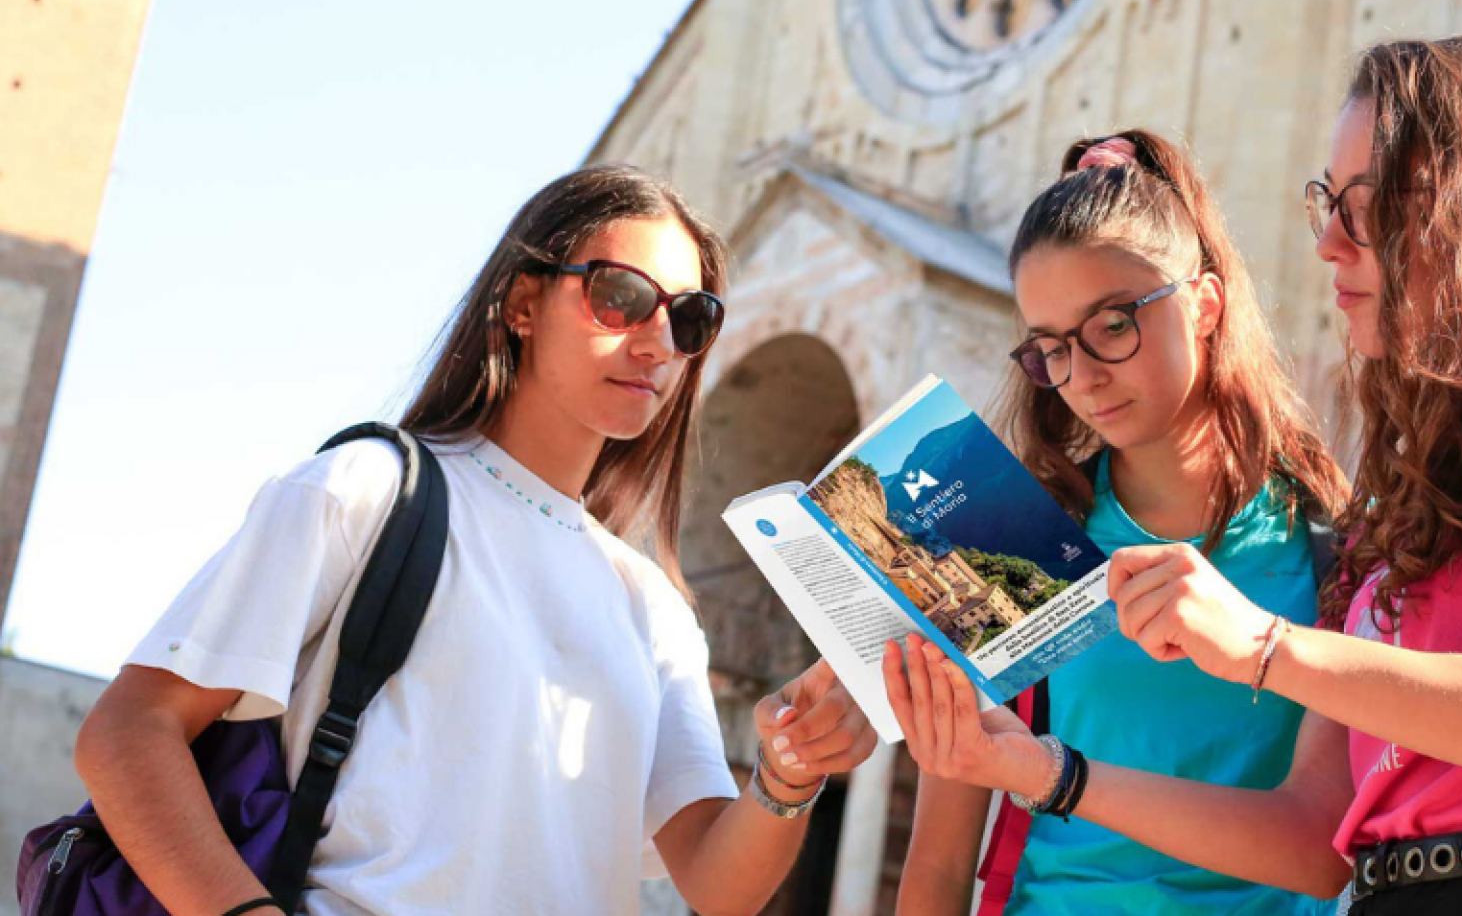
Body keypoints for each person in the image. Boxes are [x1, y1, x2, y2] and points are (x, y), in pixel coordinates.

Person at [888, 38, 1462, 916]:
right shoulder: (1404, 496)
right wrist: (1040, 771)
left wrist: (1266, 649)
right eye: (1325, 200)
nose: (1325, 241)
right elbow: (1323, 828)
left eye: (1358, 206)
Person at [74, 165, 878, 916]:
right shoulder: (366, 488)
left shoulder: (655, 610)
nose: (656, 341)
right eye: (620, 296)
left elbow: (714, 881)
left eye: (688, 318)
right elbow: (129, 732)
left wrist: (789, 771)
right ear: (523, 304)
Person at [891, 131, 1348, 916]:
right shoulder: (1008, 543)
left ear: (1204, 303)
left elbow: (1325, 853)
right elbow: (937, 864)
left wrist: (1055, 774)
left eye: (1112, 326)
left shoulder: (1331, 543)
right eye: (1051, 350)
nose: (1084, 377)